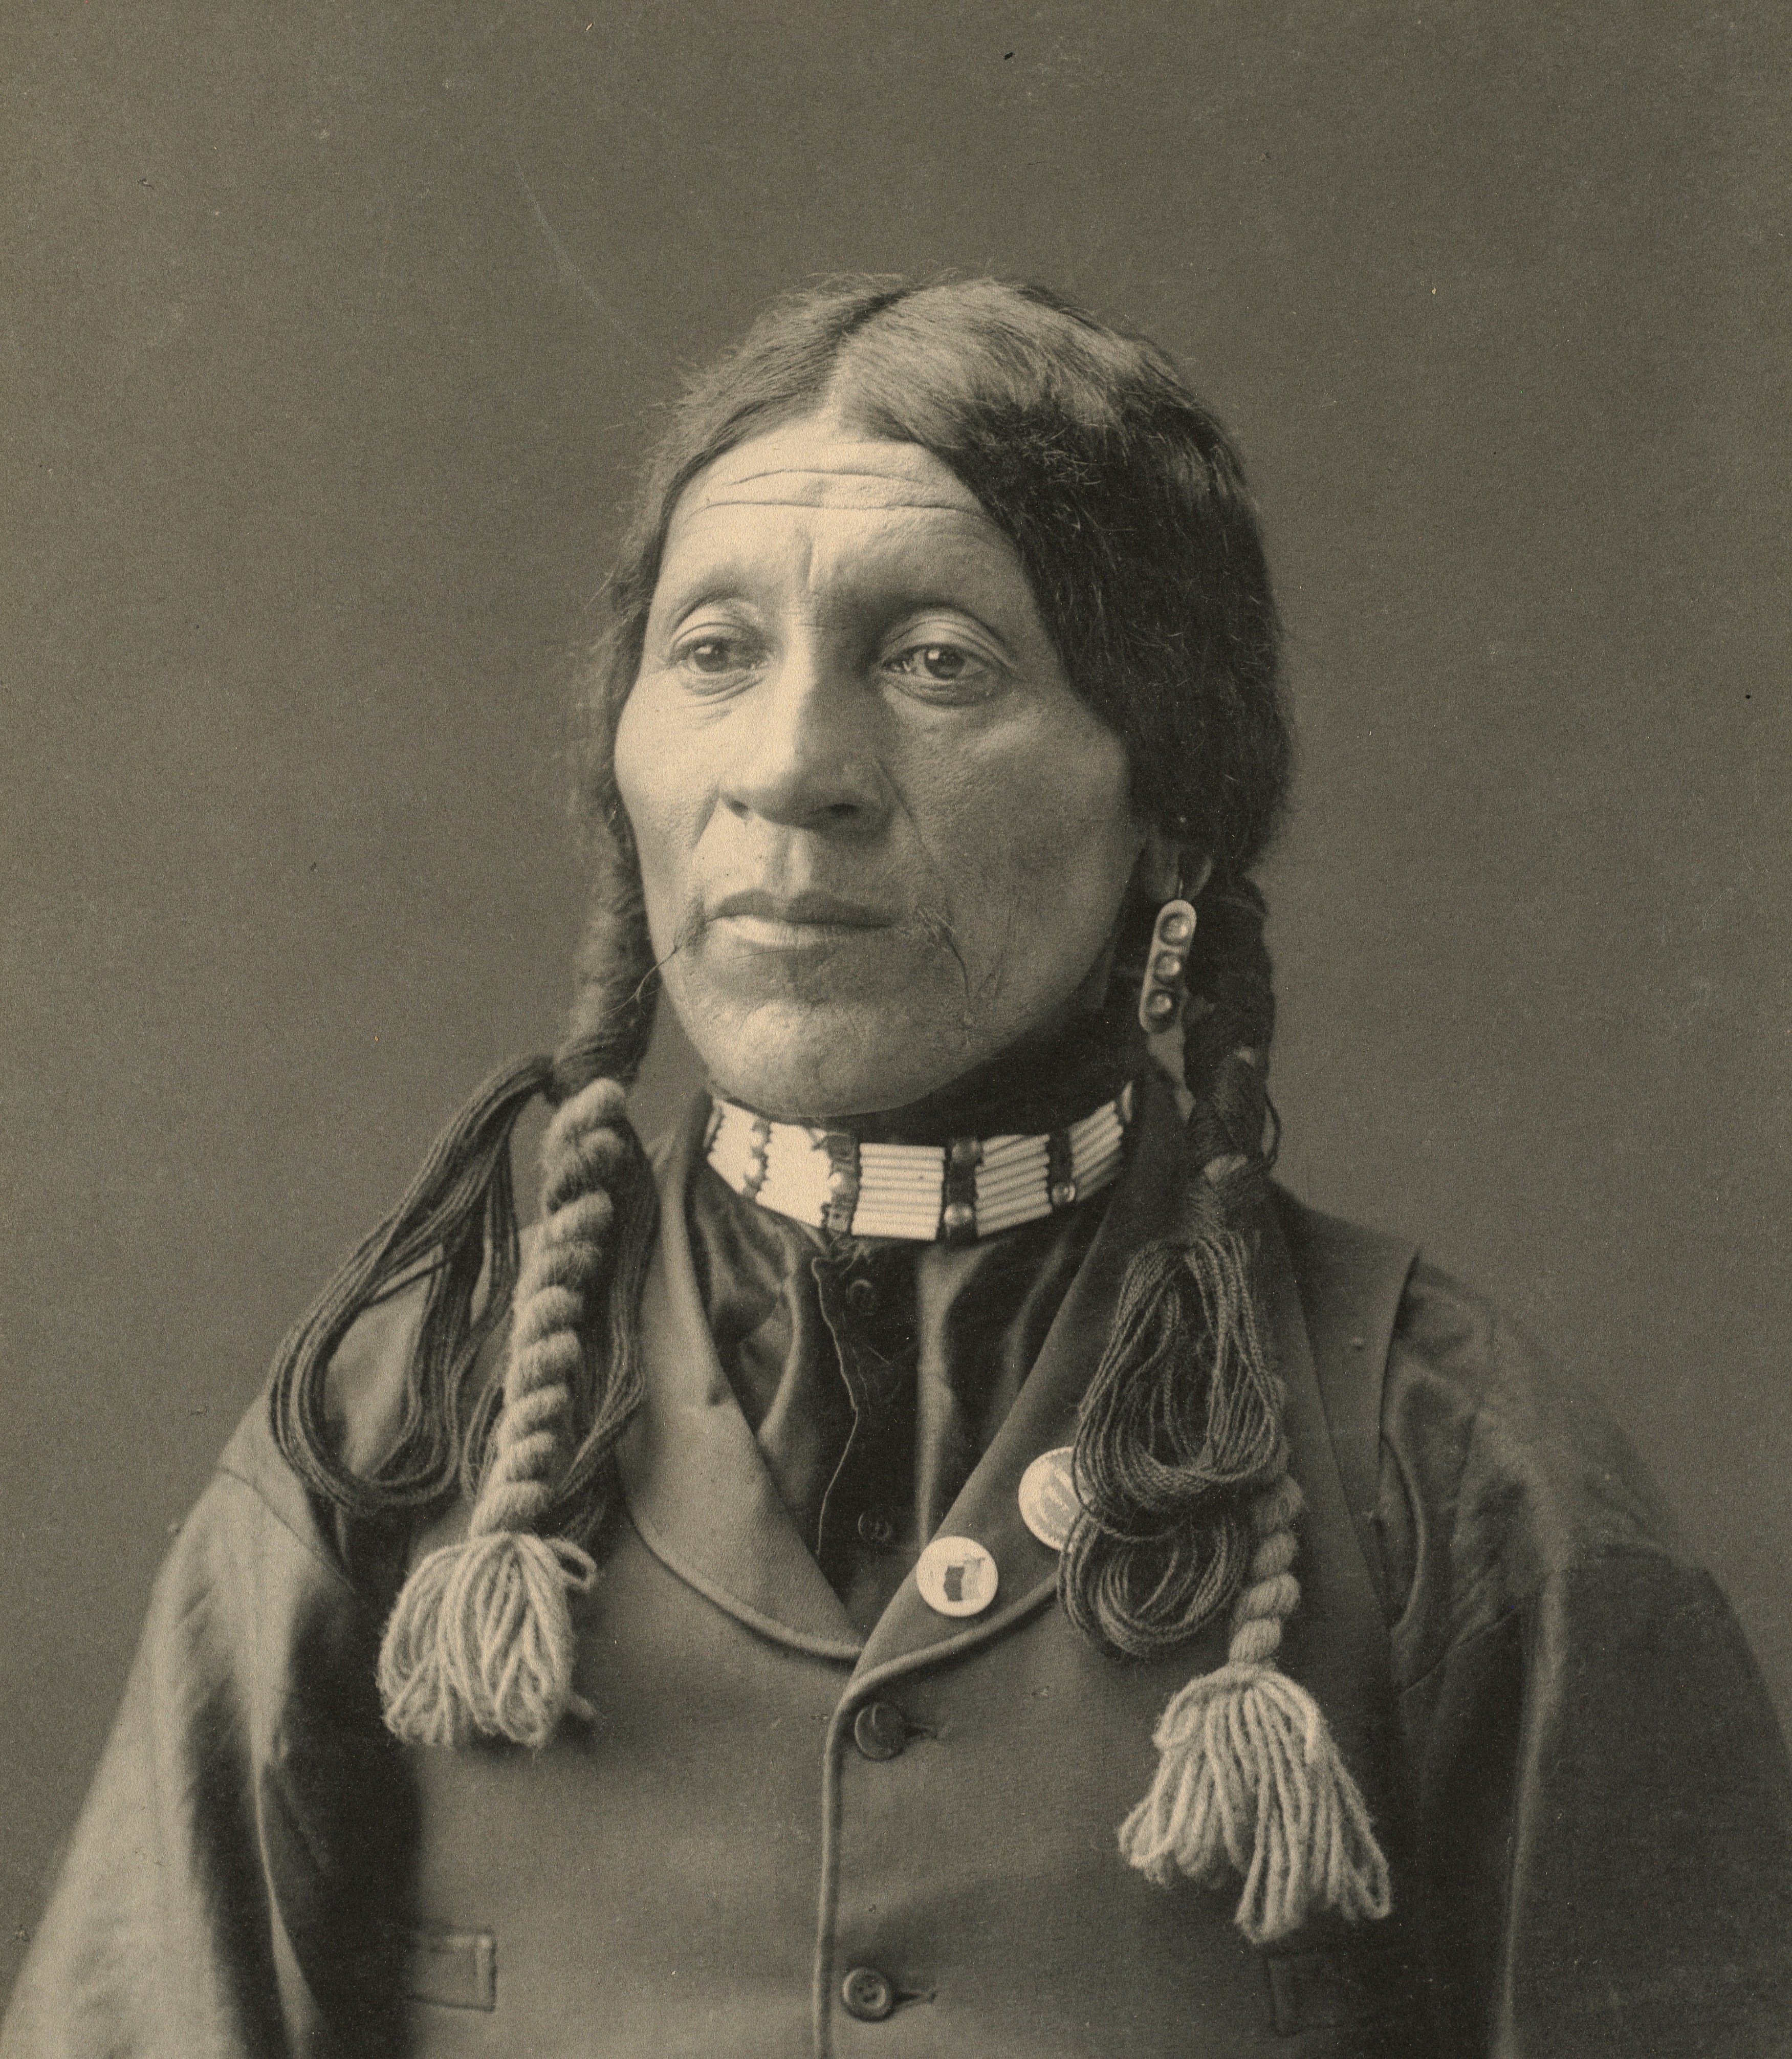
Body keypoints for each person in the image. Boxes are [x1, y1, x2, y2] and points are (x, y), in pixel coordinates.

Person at [5, 277, 1789, 2059]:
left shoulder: (1446, 1474)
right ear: (626, 767)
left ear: (1168, 803)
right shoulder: (402, 1434)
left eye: (940, 663)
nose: (793, 768)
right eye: (716, 652)